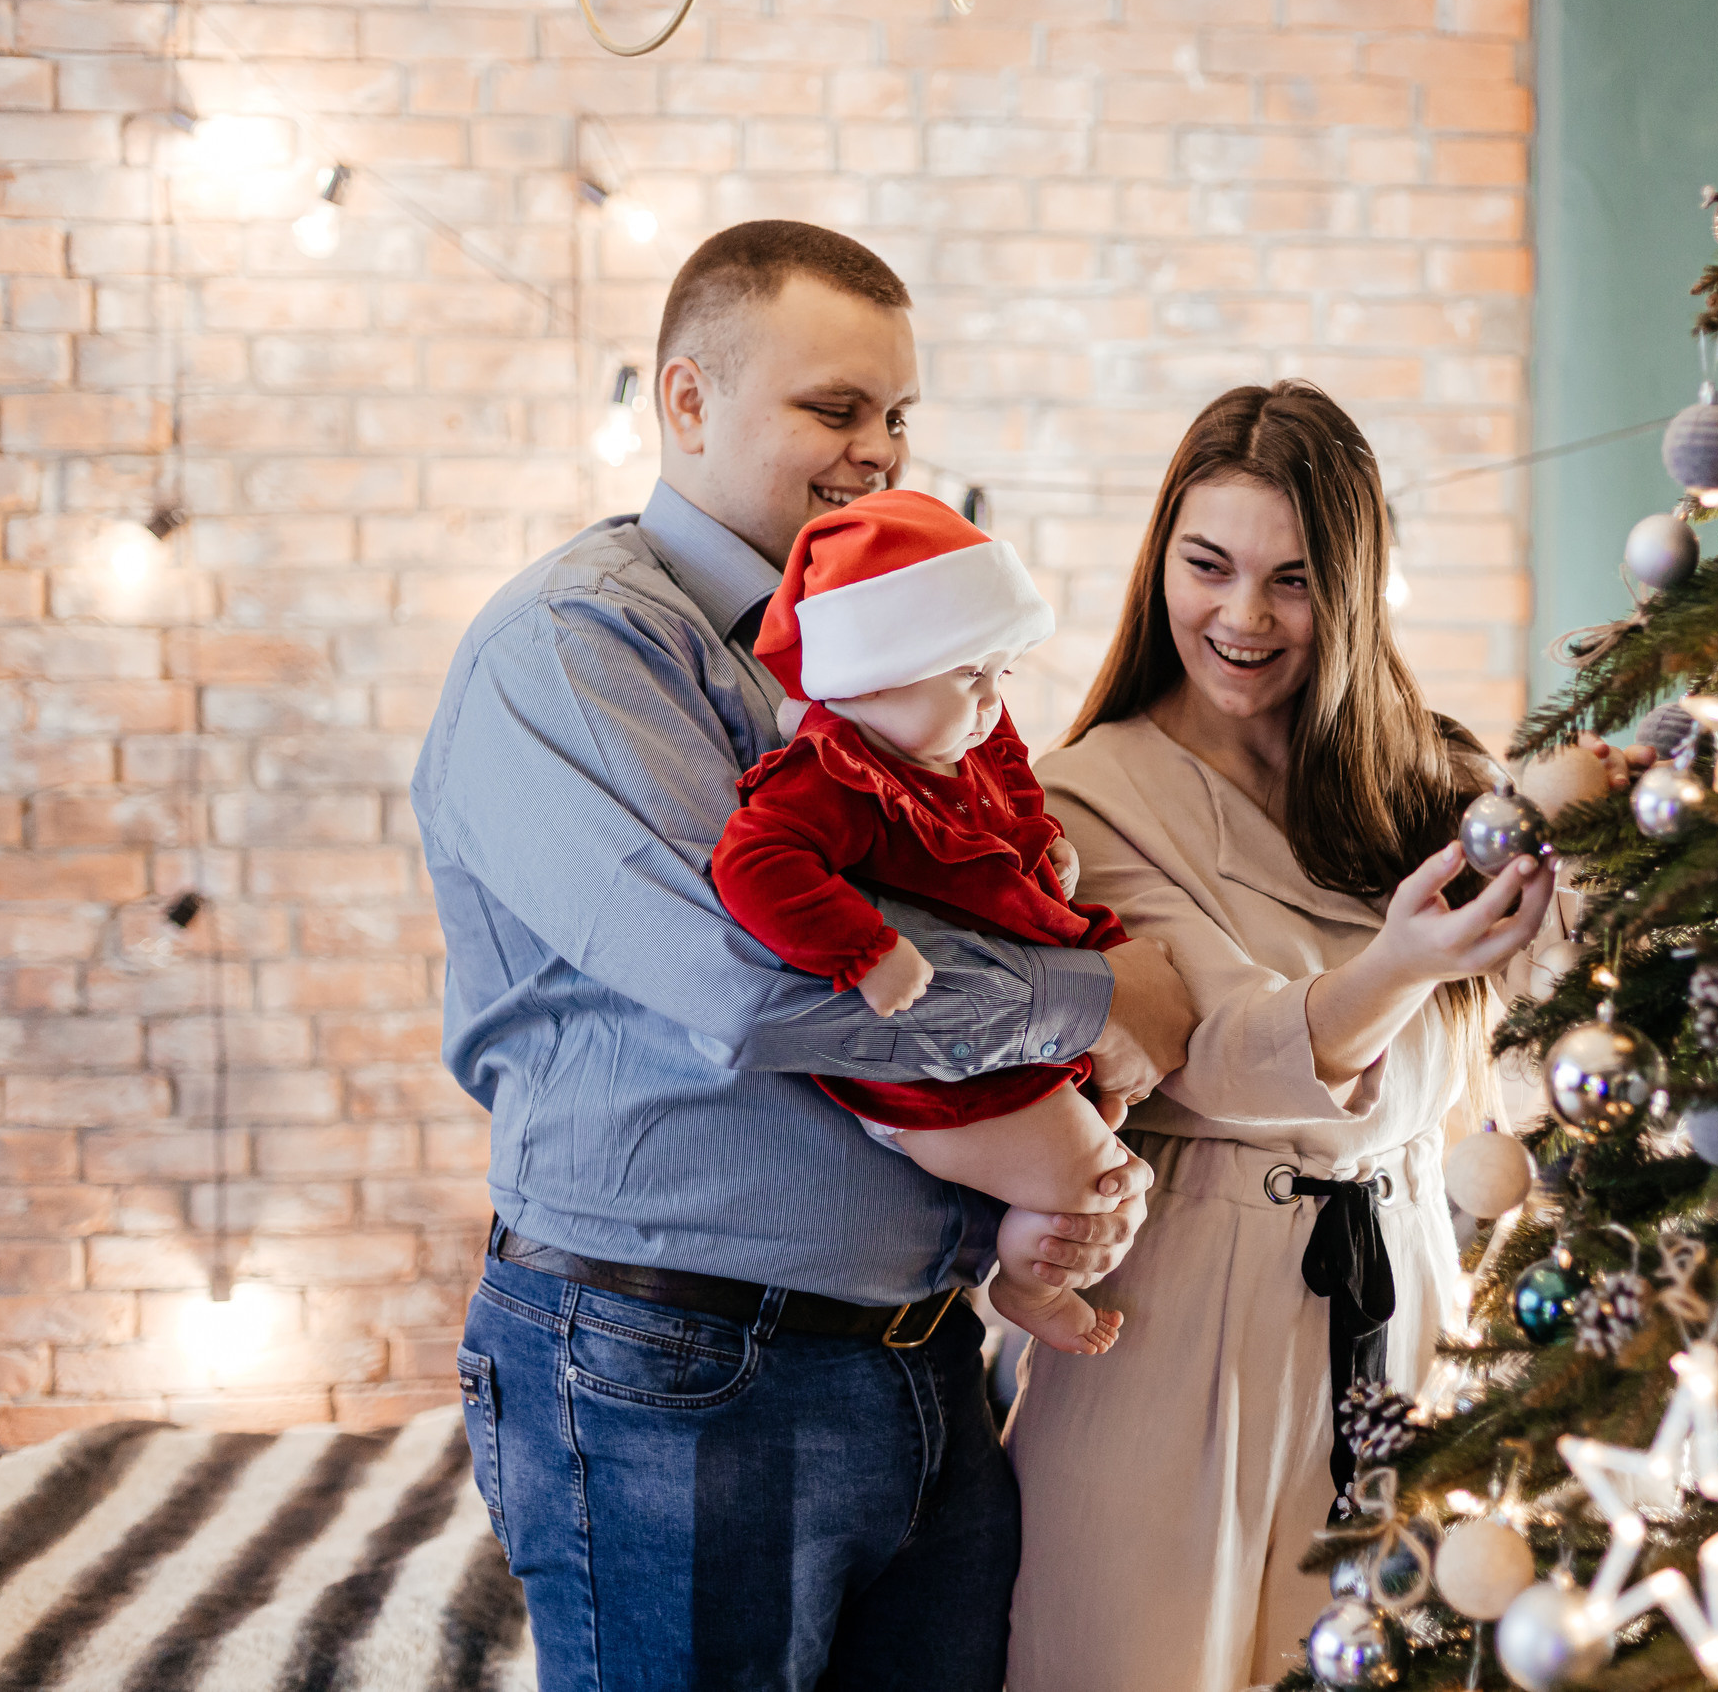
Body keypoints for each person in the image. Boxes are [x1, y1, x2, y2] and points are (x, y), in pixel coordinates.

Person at [412, 219, 1194, 1692]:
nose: (879, 452)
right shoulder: (579, 650)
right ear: (686, 400)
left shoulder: (888, 659)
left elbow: (979, 904)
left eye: (897, 416)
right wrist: (1101, 998)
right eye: (833, 409)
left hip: (914, 1353)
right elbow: (762, 975)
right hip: (678, 1365)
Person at [1003, 382, 1556, 1691]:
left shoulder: (1430, 783)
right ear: (1163, 566)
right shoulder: (1085, 796)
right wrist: (1405, 962)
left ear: (1353, 593)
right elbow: (1213, 1043)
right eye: (1210, 565)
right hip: (1178, 1316)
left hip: (1404, 1296)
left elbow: (1539, 994)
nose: (1243, 616)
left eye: (1293, 580)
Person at [712, 488, 1139, 1357]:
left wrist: (1042, 846)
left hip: (1001, 1023)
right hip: (929, 1071)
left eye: (999, 673)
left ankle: (1033, 1239)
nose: (991, 703)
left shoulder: (950, 743)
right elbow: (754, 864)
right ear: (874, 668)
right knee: (1095, 1177)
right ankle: (1025, 1285)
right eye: (965, 674)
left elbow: (1004, 814)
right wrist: (861, 947)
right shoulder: (833, 772)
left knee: (1113, 1151)